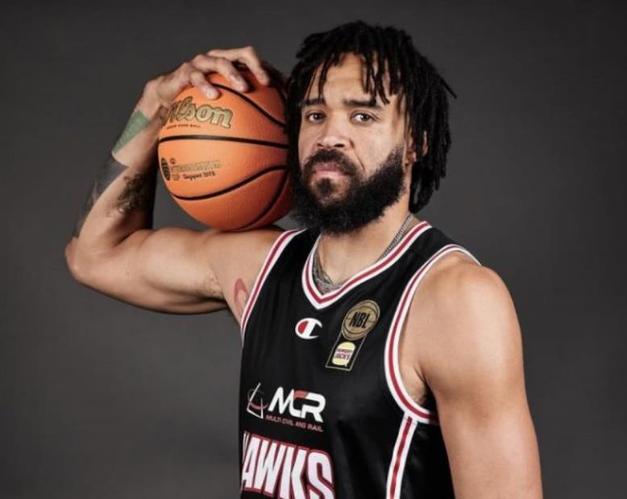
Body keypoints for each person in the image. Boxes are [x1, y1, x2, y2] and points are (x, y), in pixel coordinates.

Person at [65, 20, 543, 499]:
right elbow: (96, 255)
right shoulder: (259, 266)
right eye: (315, 114)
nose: (330, 135)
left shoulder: (455, 300)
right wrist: (156, 104)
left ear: (415, 141)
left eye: (363, 116)